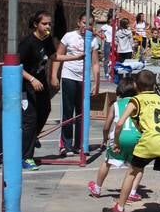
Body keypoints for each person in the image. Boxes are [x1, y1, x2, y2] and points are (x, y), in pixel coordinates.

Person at [102, 69, 160, 212]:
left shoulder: (136, 100)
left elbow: (120, 123)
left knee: (132, 172)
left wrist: (116, 141)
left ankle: (119, 209)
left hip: (149, 141)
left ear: (136, 84)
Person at [88, 78, 143, 202]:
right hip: (136, 138)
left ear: (119, 92)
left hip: (119, 137)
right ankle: (132, 192)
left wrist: (104, 138)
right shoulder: (139, 103)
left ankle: (97, 188)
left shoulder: (116, 105)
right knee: (138, 166)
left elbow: (106, 126)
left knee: (107, 162)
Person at [53, 14, 100, 157]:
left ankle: (79, 144)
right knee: (68, 111)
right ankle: (65, 145)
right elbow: (57, 56)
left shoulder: (93, 40)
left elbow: (95, 63)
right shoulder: (69, 36)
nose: (87, 26)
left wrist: (96, 83)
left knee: (81, 112)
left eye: (90, 24)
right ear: (78, 22)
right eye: (84, 23)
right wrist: (54, 75)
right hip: (68, 76)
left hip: (84, 79)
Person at [19, 10, 56, 170]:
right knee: (30, 119)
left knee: (46, 110)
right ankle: (26, 158)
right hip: (27, 86)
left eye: (49, 23)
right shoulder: (28, 43)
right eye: (44, 24)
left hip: (41, 84)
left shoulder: (47, 39)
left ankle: (33, 138)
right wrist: (32, 79)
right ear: (36, 24)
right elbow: (16, 67)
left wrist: (76, 57)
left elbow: (54, 57)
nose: (48, 26)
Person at [98, 13, 113, 80]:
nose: (112, 20)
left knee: (113, 58)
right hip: (107, 43)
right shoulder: (105, 26)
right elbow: (98, 31)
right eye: (111, 19)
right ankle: (106, 73)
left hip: (114, 44)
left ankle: (112, 72)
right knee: (106, 58)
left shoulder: (115, 26)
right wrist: (102, 36)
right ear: (109, 20)